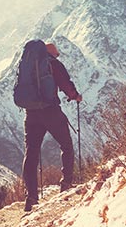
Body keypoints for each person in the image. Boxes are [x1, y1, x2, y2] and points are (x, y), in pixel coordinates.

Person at [22, 42, 82, 212]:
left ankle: (31, 197)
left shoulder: (27, 65)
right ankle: (66, 183)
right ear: (51, 52)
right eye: (56, 53)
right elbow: (65, 84)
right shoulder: (53, 64)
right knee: (66, 145)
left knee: (31, 152)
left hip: (31, 113)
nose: (57, 56)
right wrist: (75, 96)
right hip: (50, 111)